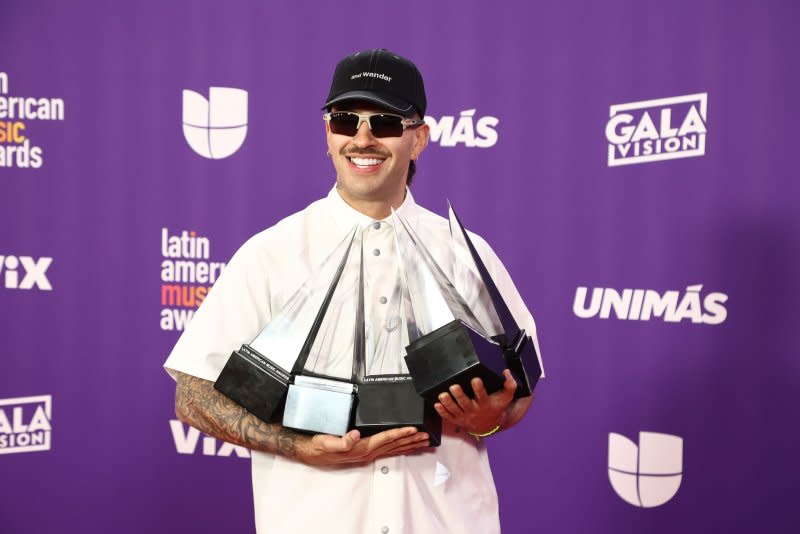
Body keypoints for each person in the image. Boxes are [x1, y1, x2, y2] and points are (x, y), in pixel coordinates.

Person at [164, 48, 543, 534]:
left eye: (384, 122)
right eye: (346, 119)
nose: (362, 138)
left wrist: (491, 416)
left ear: (419, 138)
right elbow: (192, 394)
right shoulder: (271, 254)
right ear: (328, 133)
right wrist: (298, 446)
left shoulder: (467, 255)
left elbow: (522, 386)